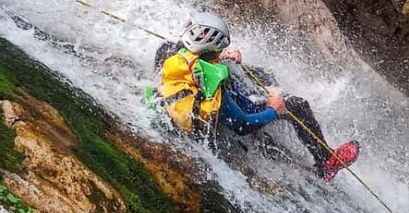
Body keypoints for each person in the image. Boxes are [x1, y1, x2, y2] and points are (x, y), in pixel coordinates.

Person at [153, 11, 360, 181]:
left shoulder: (171, 54)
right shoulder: (214, 89)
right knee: (297, 104)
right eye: (219, 49)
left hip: (178, 106)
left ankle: (265, 94)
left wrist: (222, 57)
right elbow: (243, 125)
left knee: (261, 73)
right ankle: (326, 163)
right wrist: (273, 110)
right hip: (230, 114)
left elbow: (195, 63)